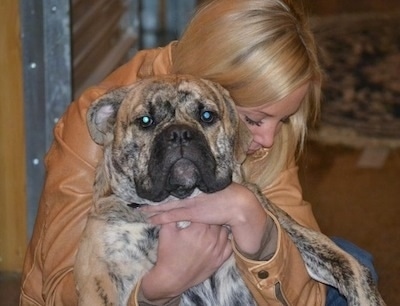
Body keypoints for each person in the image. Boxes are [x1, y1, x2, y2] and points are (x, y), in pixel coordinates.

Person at [19, 0, 377, 305]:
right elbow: (59, 288)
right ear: (217, 87)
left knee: (357, 261)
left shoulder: (257, 128)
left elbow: (306, 295)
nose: (267, 139)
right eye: (255, 120)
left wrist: (258, 230)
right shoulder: (105, 115)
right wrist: (159, 287)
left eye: (281, 121)